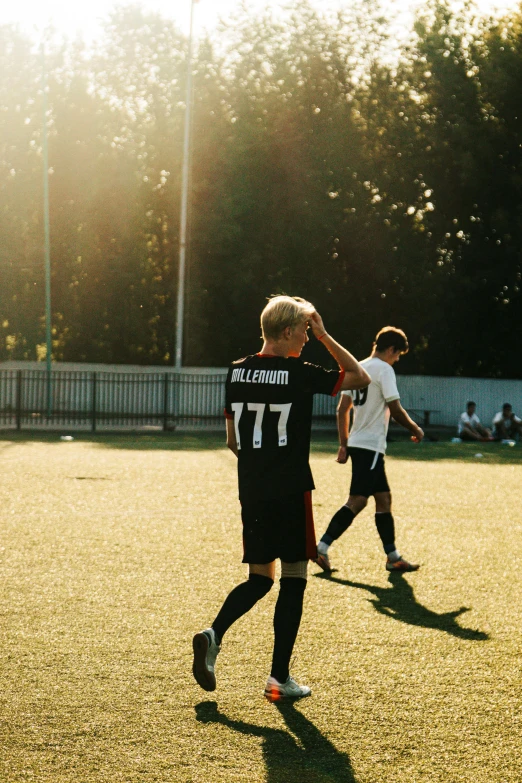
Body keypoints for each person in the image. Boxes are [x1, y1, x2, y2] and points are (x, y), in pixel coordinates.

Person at [192, 295, 370, 701]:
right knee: (293, 578)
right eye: (306, 331)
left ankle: (212, 633)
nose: (308, 339)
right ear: (288, 330)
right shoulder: (298, 372)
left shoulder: (236, 372)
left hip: (252, 489)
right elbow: (358, 377)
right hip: (290, 488)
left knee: (259, 578)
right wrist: (327, 335)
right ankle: (278, 678)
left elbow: (232, 439)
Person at [315, 326, 424, 575]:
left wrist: (344, 444)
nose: (396, 360)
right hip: (371, 446)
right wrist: (416, 428)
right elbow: (395, 409)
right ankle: (321, 548)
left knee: (383, 498)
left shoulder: (356, 367)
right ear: (390, 349)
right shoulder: (384, 370)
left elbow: (342, 409)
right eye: (398, 355)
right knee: (358, 500)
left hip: (358, 443)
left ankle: (393, 557)